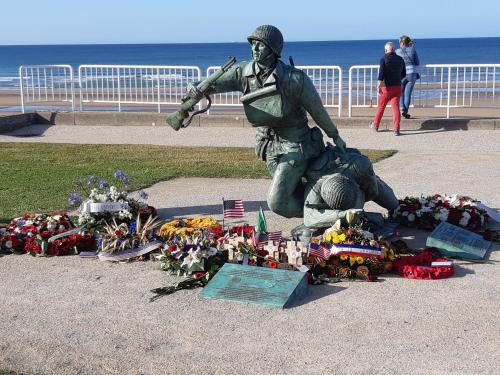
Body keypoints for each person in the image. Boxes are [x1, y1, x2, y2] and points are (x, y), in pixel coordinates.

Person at [189, 25, 347, 219]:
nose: (254, 49)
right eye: (253, 44)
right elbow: (213, 84)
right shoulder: (243, 71)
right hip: (268, 147)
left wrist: (335, 136)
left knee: (277, 201)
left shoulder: (294, 79)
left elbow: (318, 111)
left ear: (273, 50)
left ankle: (335, 216)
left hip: (296, 146)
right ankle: (321, 217)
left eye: (260, 45)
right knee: (293, 191)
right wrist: (195, 90)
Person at [369, 42, 406, 136]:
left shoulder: (383, 59)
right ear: (393, 49)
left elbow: (381, 74)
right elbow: (404, 74)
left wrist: (378, 86)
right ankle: (396, 130)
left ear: (386, 50)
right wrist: (397, 79)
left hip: (386, 88)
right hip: (397, 87)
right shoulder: (400, 59)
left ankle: (375, 126)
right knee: (396, 108)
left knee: (381, 107)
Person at [396, 35, 420, 119]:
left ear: (402, 42)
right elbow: (417, 62)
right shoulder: (412, 49)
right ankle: (405, 111)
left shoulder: (397, 51)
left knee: (400, 92)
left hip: (402, 74)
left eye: (399, 42)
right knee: (407, 93)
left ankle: (402, 108)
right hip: (412, 73)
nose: (399, 44)